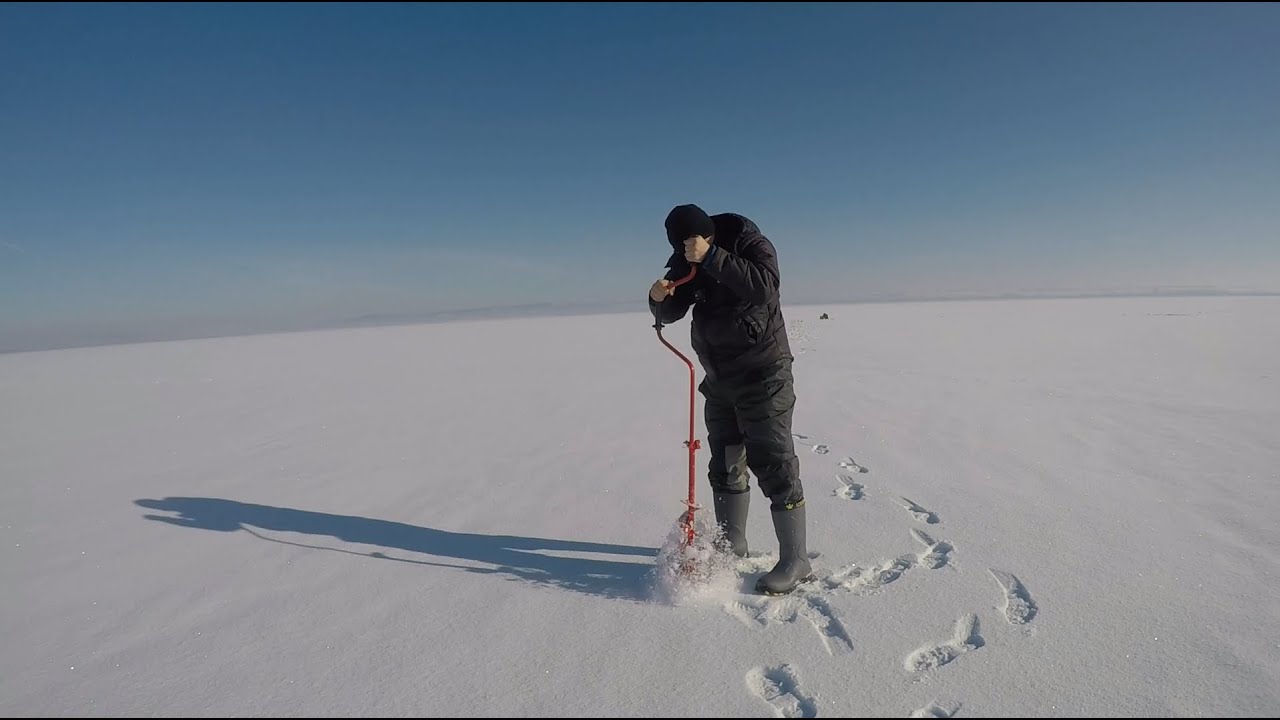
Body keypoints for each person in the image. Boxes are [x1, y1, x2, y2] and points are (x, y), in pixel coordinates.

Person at [648, 203, 812, 595]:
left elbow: (764, 286)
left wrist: (713, 257)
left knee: (773, 461)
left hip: (764, 373)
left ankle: (796, 559)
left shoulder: (747, 241)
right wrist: (658, 298)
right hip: (719, 378)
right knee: (724, 459)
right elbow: (672, 309)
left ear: (707, 234)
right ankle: (732, 543)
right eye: (681, 245)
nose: (686, 249)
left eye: (691, 241)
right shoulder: (685, 258)